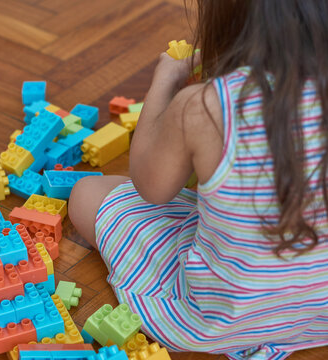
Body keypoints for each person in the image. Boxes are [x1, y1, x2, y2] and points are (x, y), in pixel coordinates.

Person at [68, 1, 328, 359]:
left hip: (216, 317)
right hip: (318, 317)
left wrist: (164, 83)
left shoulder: (207, 104)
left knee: (87, 192)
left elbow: (150, 185)